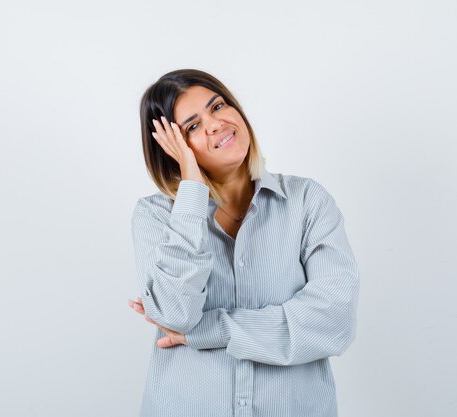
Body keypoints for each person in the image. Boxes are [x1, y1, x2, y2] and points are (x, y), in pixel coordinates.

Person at [127, 69, 360, 417]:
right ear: (171, 149)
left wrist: (210, 330)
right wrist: (192, 186)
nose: (215, 123)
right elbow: (176, 315)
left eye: (218, 106)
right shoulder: (155, 215)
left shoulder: (307, 201)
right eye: (191, 126)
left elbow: (333, 322)